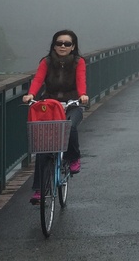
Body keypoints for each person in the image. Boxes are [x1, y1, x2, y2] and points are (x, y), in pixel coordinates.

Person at [23, 29, 89, 204]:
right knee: (44, 146)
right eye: (59, 43)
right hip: (50, 105)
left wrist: (82, 95)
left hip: (72, 104)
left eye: (67, 44)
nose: (62, 46)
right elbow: (38, 79)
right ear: (53, 45)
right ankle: (39, 189)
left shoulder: (78, 62)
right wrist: (31, 94)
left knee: (70, 126)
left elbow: (81, 80)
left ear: (73, 46)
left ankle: (73, 157)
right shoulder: (46, 62)